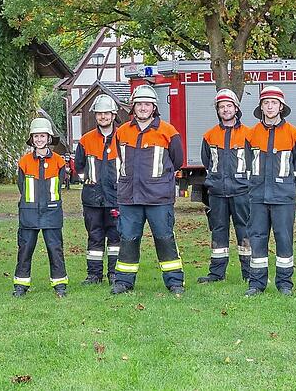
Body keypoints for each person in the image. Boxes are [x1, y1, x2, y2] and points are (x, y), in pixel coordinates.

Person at [111, 85, 185, 295]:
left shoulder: (168, 131)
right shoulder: (122, 131)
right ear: (133, 107)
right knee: (128, 239)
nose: (143, 108)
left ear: (154, 107)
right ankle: (124, 281)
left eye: (147, 104)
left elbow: (177, 160)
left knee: (164, 239)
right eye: (139, 104)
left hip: (159, 198)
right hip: (129, 197)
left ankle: (174, 282)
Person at [244, 86, 296, 296]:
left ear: (281, 107)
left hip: (283, 196)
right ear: (261, 107)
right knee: (258, 237)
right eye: (266, 103)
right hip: (258, 196)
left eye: (274, 103)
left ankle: (285, 283)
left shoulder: (295, 135)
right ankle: (256, 284)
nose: (270, 106)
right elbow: (248, 166)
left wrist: (287, 189)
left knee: (284, 238)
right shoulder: (251, 135)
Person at [197, 89, 251, 283]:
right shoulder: (209, 136)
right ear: (218, 111)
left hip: (242, 191)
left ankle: (249, 272)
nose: (225, 110)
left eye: (229, 106)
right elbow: (207, 161)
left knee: (245, 231)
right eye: (222, 107)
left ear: (236, 108)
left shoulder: (249, 135)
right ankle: (216, 273)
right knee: (218, 231)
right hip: (217, 192)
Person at [12, 118, 68, 298]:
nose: (39, 139)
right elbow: (21, 186)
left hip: (52, 213)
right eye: (36, 136)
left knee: (55, 249)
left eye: (42, 136)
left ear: (49, 138)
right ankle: (21, 285)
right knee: (25, 249)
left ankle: (60, 285)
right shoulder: (24, 162)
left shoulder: (59, 162)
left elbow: (59, 186)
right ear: (31, 138)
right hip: (29, 214)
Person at [74, 94, 121, 285]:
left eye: (106, 113)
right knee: (94, 237)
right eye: (99, 114)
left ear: (113, 115)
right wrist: (91, 182)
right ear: (95, 116)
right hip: (92, 199)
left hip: (117, 197)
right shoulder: (86, 140)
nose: (103, 117)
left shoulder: (122, 137)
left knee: (116, 238)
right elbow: (79, 167)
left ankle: (114, 273)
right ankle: (94, 275)